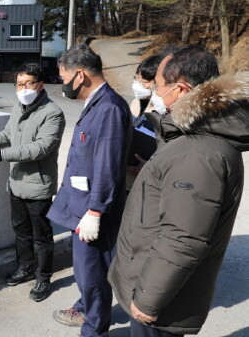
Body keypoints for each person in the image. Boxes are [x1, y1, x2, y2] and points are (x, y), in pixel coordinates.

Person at [108, 45, 249, 337]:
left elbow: (183, 238)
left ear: (181, 89)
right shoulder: (193, 141)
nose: (154, 93)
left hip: (161, 303)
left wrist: (147, 300)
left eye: (159, 86)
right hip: (157, 281)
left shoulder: (197, 154)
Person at [47, 44, 131, 337]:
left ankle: (95, 330)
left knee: (92, 272)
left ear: (80, 75)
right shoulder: (97, 102)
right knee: (87, 271)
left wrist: (95, 211)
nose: (63, 84)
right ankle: (87, 310)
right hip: (82, 205)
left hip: (93, 210)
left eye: (63, 77)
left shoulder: (108, 107)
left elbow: (108, 165)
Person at [0, 64, 65, 302]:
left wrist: (2, 155)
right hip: (16, 182)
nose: (23, 89)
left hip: (38, 184)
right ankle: (25, 268)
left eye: (28, 83)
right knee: (21, 232)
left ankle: (43, 278)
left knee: (41, 236)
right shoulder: (18, 106)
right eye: (19, 84)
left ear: (40, 85)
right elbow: (6, 136)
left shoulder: (52, 113)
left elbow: (41, 148)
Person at [126, 55, 163, 186]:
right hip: (126, 180)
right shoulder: (136, 103)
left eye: (144, 82)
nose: (138, 85)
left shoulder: (166, 111)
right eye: (137, 79)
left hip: (150, 182)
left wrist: (148, 167)